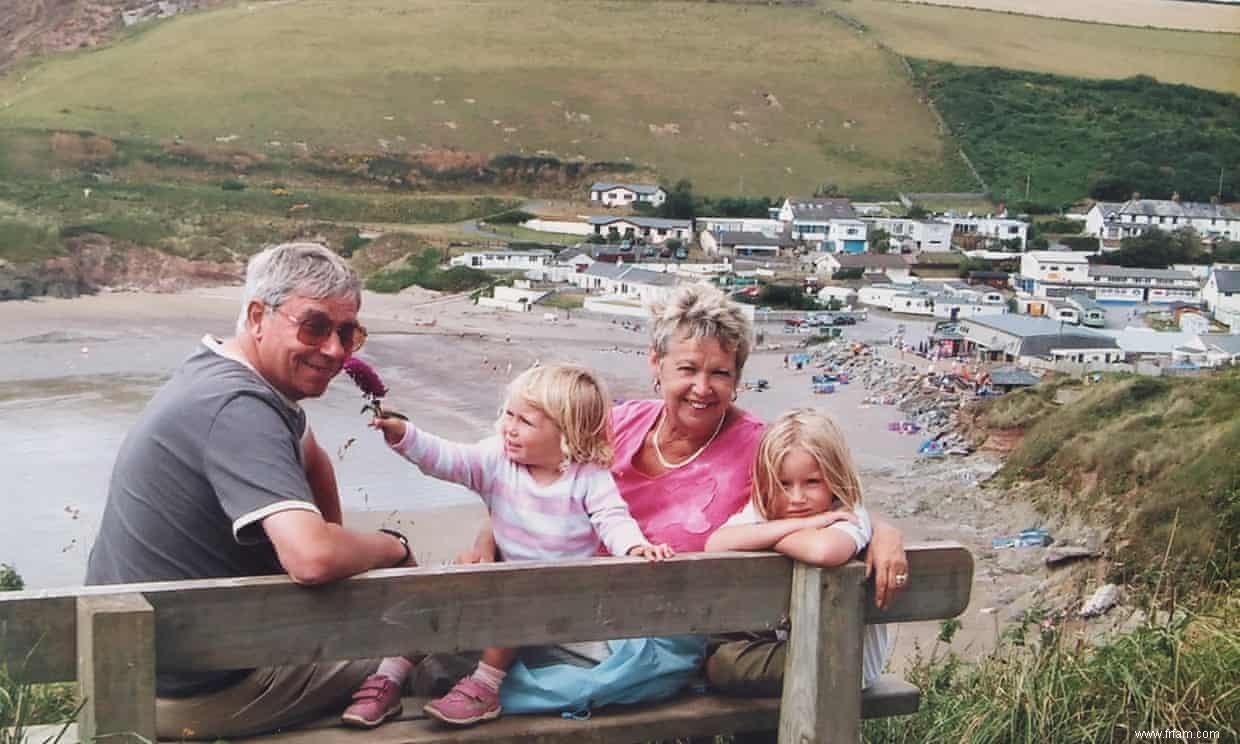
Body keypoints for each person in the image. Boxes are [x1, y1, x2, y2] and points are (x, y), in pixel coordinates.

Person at [452, 284, 910, 709]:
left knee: (459, 660)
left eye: (720, 373)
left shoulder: (758, 449)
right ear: (656, 364)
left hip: (663, 643)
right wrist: (487, 534)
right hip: (567, 612)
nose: (703, 388)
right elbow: (540, 482)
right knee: (452, 649)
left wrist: (883, 533)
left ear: (738, 378)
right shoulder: (614, 423)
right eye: (687, 369)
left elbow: (818, 498)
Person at [84, 243, 414, 739]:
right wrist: (392, 546)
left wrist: (334, 538)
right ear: (259, 315)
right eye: (315, 326)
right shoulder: (237, 406)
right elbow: (312, 559)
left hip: (151, 663)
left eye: (348, 333)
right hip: (197, 692)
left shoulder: (217, 371)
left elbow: (311, 454)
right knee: (431, 651)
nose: (336, 350)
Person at [344, 364, 673, 728]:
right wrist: (405, 435)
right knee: (453, 581)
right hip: (505, 583)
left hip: (559, 598)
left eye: (524, 422)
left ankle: (486, 685)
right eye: (508, 414)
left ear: (568, 433)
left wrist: (634, 547)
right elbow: (449, 458)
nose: (508, 428)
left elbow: (613, 519)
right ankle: (390, 676)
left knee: (514, 595)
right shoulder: (498, 459)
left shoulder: (588, 477)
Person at [704, 408, 891, 696]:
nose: (796, 498)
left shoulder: (848, 514)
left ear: (836, 477)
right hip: (800, 649)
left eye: (812, 482)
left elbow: (824, 550)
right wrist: (801, 525)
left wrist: (770, 535)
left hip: (845, 662)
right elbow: (715, 543)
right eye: (782, 484)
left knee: (724, 664)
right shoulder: (775, 511)